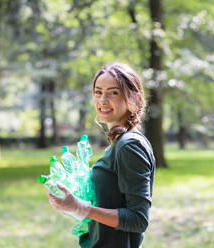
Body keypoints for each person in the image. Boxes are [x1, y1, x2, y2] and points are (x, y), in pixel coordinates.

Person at [48, 62, 156, 248]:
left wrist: (81, 207)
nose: (103, 100)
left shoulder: (129, 145)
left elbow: (138, 219)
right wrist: (73, 204)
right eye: (98, 92)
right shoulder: (120, 143)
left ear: (134, 97)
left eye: (113, 92)